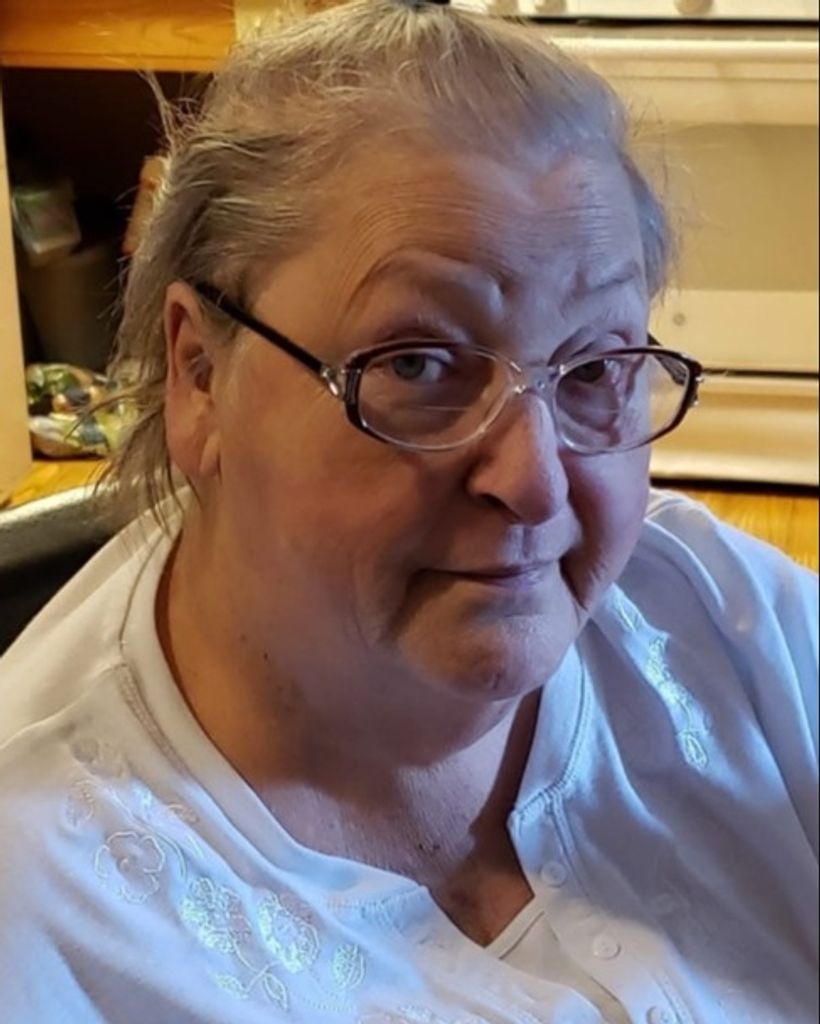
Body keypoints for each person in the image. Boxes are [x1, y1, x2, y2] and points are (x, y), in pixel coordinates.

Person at [0, 2, 816, 1021]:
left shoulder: (717, 619)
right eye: (418, 365)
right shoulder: (44, 920)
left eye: (595, 368)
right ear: (200, 374)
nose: (535, 482)